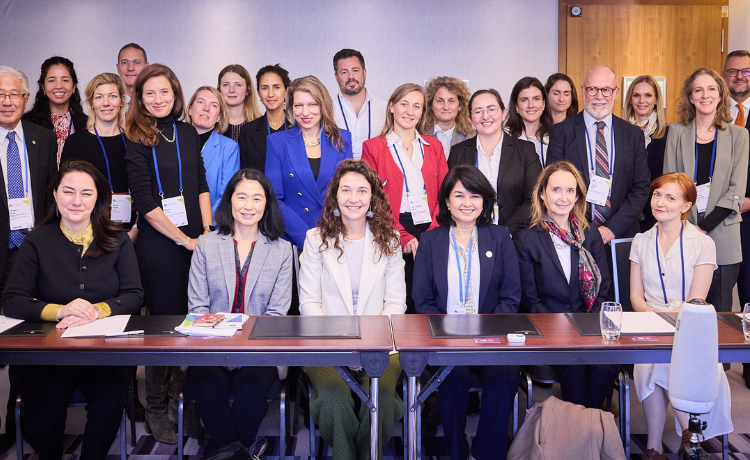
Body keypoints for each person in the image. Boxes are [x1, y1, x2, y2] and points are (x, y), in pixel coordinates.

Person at [2, 159, 143, 460]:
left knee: (108, 409)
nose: (76, 201)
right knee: (39, 424)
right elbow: (12, 299)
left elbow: (134, 295)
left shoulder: (118, 239)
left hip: (104, 353)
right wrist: (60, 310)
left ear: (99, 198)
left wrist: (99, 309)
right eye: (68, 191)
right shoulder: (37, 240)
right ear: (55, 194)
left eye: (86, 193)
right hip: (49, 353)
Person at [125, 63, 213, 444]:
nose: (158, 99)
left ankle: (185, 399)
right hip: (161, 244)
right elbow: (144, 202)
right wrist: (183, 240)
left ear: (176, 95)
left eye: (164, 92)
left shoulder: (188, 132)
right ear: (140, 99)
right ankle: (158, 405)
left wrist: (207, 234)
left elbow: (201, 184)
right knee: (163, 324)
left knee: (195, 319)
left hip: (196, 239)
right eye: (150, 93)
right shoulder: (135, 136)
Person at [298, 159, 405, 460]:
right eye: (346, 190)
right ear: (335, 196)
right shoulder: (315, 239)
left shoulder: (391, 241)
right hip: (325, 345)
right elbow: (309, 304)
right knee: (334, 400)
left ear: (373, 197)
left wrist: (368, 347)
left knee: (381, 398)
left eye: (362, 190)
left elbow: (395, 304)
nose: (354, 198)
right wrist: (345, 347)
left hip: (384, 346)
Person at [412, 165, 521, 460]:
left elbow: (511, 297)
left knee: (506, 375)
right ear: (447, 201)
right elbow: (421, 300)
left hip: (491, 340)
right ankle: (456, 452)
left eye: (474, 196)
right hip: (446, 341)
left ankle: (487, 452)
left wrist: (487, 334)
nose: (467, 203)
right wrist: (447, 334)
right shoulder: (430, 241)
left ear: (484, 201)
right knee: (453, 375)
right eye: (459, 195)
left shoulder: (500, 238)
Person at [629, 172, 733, 460]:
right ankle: (689, 436)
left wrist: (666, 321)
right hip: (648, 324)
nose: (660, 202)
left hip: (690, 326)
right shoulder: (641, 240)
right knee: (653, 359)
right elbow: (636, 296)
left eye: (670, 197)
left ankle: (655, 446)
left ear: (687, 205)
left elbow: (696, 301)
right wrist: (653, 318)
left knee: (668, 360)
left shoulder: (703, 243)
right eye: (657, 195)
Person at [186, 169, 292, 450]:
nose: (248, 206)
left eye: (257, 199)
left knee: (251, 391)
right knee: (207, 390)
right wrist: (225, 346)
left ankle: (226, 453)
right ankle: (241, 453)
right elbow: (197, 309)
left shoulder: (283, 250)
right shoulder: (206, 245)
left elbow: (276, 315)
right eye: (241, 196)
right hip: (209, 347)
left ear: (267, 204)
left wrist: (242, 348)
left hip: (260, 350)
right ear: (229, 200)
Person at [514, 160, 616, 409]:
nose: (563, 197)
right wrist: (563, 328)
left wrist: (590, 325)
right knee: (574, 369)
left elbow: (603, 286)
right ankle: (588, 430)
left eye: (570, 191)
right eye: (556, 189)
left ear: (578, 196)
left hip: (590, 325)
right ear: (542, 194)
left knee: (608, 365)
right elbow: (529, 298)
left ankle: (583, 427)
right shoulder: (527, 239)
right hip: (550, 329)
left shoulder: (589, 233)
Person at [0, 66, 57, 439]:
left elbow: (52, 193)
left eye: (13, 95)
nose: (6, 102)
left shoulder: (42, 138)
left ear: (25, 98)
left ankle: (16, 427)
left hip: (32, 255)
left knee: (26, 343)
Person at [663, 68, 749, 314]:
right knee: (684, 311)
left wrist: (705, 226)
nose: (705, 95)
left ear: (721, 95)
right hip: (683, 235)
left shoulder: (739, 136)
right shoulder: (676, 133)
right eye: (698, 90)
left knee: (719, 312)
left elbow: (736, 190)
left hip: (723, 236)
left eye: (711, 89)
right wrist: (690, 227)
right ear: (690, 97)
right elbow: (670, 184)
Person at [362, 83, 448, 314]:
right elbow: (371, 199)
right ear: (391, 106)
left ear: (422, 112)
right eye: (404, 104)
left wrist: (432, 233)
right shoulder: (372, 147)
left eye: (416, 106)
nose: (410, 111)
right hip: (392, 228)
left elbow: (446, 194)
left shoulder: (435, 146)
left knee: (433, 299)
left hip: (433, 227)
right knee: (400, 300)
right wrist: (402, 236)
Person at [547, 65, 651, 247]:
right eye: (592, 89)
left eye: (606, 90)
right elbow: (554, 185)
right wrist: (580, 227)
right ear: (582, 91)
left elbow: (641, 187)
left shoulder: (633, 135)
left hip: (622, 235)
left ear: (616, 92)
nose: (599, 96)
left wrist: (612, 228)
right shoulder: (561, 133)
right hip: (575, 234)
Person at [265, 75, 353, 249]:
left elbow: (348, 191)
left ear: (323, 105)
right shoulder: (277, 142)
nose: (305, 112)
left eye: (312, 104)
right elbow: (273, 198)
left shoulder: (342, 139)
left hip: (334, 235)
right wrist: (307, 238)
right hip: (294, 238)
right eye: (298, 105)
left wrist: (331, 232)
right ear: (291, 108)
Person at [448, 89, 541, 235]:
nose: (485, 116)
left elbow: (535, 199)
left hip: (515, 237)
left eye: (492, 109)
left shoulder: (525, 150)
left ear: (503, 113)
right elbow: (451, 197)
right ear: (471, 118)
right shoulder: (458, 152)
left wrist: (505, 232)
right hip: (470, 235)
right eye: (478, 111)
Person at [61, 72, 137, 235]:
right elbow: (65, 192)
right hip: (88, 231)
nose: (106, 103)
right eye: (99, 97)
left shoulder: (135, 141)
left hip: (132, 229)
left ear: (122, 100)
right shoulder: (75, 143)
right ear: (91, 103)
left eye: (112, 96)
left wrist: (135, 230)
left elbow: (147, 190)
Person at [722, 50, 750, 388]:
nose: (740, 77)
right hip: (718, 217)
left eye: (746, 71)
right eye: (733, 71)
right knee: (717, 290)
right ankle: (720, 359)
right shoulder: (713, 113)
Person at [22, 56, 87, 166]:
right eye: (51, 80)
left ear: (74, 86)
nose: (58, 86)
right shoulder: (26, 123)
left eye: (65, 80)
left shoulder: (88, 124)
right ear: (43, 87)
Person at [185, 86, 240, 216]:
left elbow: (227, 196)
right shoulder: (173, 142)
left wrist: (206, 224)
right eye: (200, 102)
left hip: (210, 225)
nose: (206, 108)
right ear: (190, 109)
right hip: (172, 225)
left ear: (219, 117)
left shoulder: (229, 148)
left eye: (214, 105)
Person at [624, 75, 668, 232]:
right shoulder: (618, 132)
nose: (641, 100)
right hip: (625, 213)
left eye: (648, 95)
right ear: (630, 99)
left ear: (656, 99)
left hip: (656, 213)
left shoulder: (668, 134)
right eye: (636, 95)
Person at [332, 49, 387, 159]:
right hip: (337, 174)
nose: (351, 76)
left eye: (355, 70)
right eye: (344, 72)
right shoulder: (325, 109)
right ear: (336, 77)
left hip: (376, 174)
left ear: (364, 73)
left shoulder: (385, 107)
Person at [238, 64, 291, 172]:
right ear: (258, 93)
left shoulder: (299, 128)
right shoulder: (247, 131)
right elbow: (245, 174)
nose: (270, 94)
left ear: (286, 91)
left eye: (276, 87)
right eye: (264, 88)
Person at [505, 77, 553, 166]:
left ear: (543, 103)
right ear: (516, 106)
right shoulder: (504, 137)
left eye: (536, 99)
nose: (531, 105)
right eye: (524, 100)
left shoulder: (555, 136)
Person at [423, 76, 474, 159]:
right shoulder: (419, 135)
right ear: (431, 105)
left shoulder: (472, 137)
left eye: (451, 101)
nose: (446, 107)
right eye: (440, 101)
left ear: (460, 105)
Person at [217, 64, 261, 143]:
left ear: (248, 90)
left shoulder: (261, 125)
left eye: (238, 85)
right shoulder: (211, 125)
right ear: (219, 89)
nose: (231, 90)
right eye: (226, 85)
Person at [115, 43, 149, 108]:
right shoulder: (108, 104)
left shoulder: (156, 103)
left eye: (137, 62)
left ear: (146, 67)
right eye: (124, 62)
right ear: (118, 68)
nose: (130, 68)